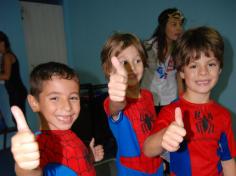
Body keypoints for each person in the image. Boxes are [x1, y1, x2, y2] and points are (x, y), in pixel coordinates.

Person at [143, 26, 236, 176]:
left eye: (211, 64)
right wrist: (165, 135)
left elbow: (227, 160)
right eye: (193, 65)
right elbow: (148, 149)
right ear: (181, 72)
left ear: (219, 69)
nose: (203, 72)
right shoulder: (172, 111)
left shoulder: (224, 116)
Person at [11, 62, 104, 176]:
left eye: (73, 97)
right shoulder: (41, 144)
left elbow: (76, 163)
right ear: (34, 103)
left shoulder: (69, 134)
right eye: (55, 98)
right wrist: (24, 166)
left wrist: (90, 156)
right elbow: (32, 172)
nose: (67, 107)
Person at [101, 33, 163, 176]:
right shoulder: (112, 102)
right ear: (109, 69)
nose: (132, 68)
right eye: (124, 63)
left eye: (137, 61)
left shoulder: (148, 96)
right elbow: (114, 107)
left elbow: (153, 129)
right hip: (132, 170)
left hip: (156, 164)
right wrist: (117, 99)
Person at [141, 8, 185, 114]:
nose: (179, 29)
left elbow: (179, 77)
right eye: (174, 24)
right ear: (163, 26)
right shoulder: (147, 47)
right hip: (148, 99)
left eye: (180, 24)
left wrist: (182, 102)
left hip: (170, 99)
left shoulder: (181, 50)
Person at [0, 31, 27, 125]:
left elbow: (6, 76)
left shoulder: (7, 56)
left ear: (2, 42)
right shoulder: (5, 55)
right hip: (15, 91)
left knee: (18, 120)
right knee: (18, 119)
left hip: (17, 91)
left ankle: (27, 139)